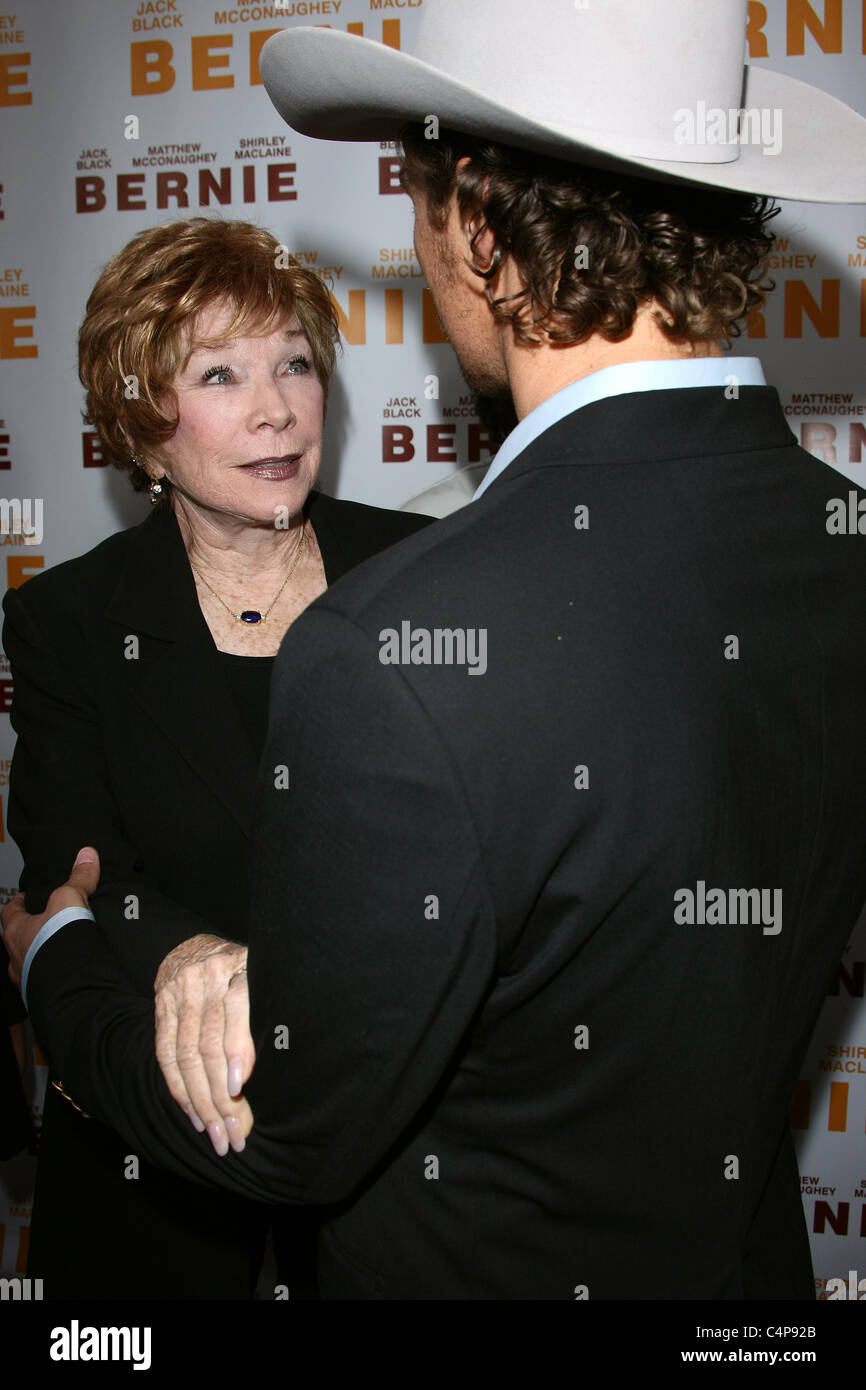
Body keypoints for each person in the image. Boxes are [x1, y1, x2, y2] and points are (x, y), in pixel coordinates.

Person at [4, 0, 866, 1299]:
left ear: (472, 219)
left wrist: (49, 955)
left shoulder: (397, 639)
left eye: (411, 203)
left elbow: (284, 1137)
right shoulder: (840, 545)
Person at [0, 216, 430, 1299]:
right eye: (220, 373)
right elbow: (69, 861)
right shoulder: (70, 620)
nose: (275, 407)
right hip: (159, 1136)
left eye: (293, 361)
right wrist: (181, 946)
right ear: (144, 431)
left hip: (394, 1147)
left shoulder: (424, 573)